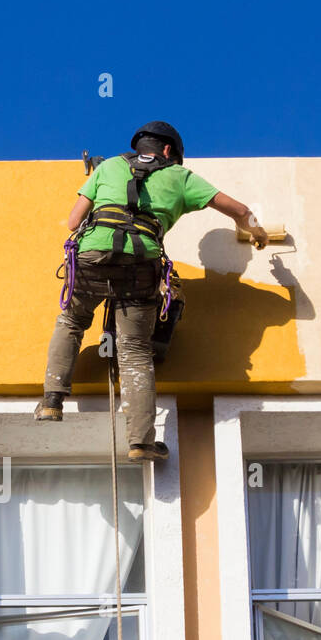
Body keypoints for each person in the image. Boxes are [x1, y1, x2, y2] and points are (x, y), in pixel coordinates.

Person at [36, 120, 268, 461]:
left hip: (92, 257)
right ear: (169, 151)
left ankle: (52, 403)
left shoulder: (111, 166)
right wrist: (256, 232)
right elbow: (241, 211)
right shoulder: (180, 177)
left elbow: (73, 222)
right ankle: (140, 443)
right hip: (141, 263)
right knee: (135, 351)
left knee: (72, 322)